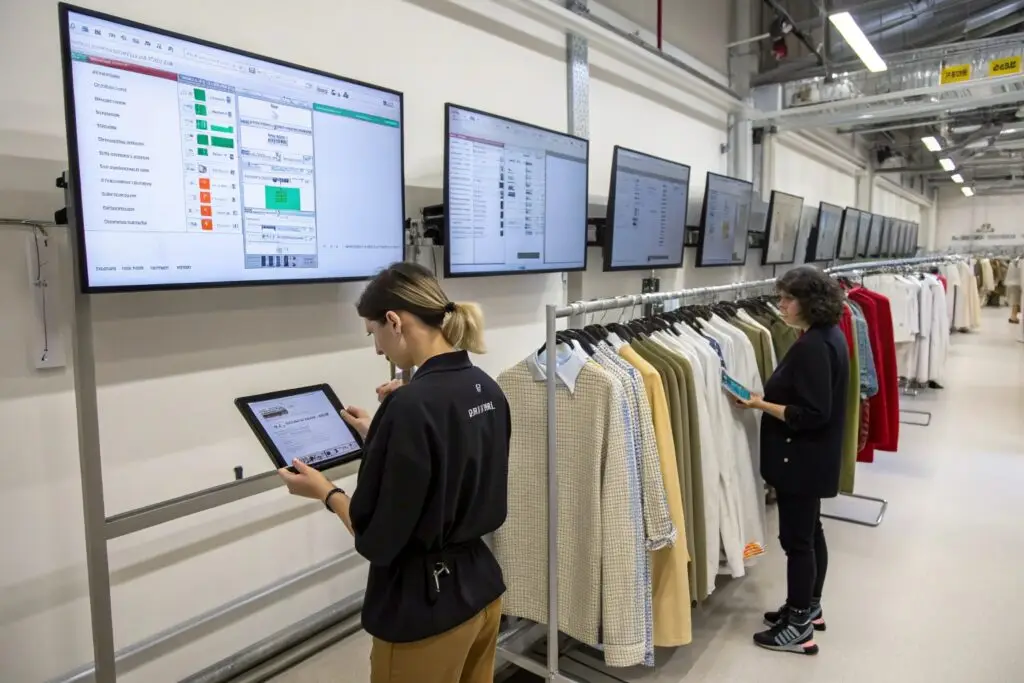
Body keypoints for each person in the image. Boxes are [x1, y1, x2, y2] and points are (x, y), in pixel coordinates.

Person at [278, 262, 511, 683]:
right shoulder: (485, 387)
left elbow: (377, 539)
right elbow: (447, 462)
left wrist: (326, 492)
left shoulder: (409, 406)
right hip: (482, 593)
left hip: (425, 609)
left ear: (393, 321)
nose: (378, 351)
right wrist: (379, 433)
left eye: (373, 335)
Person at [735, 266, 850, 656]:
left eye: (787, 298)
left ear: (809, 303)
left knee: (797, 541)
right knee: (811, 533)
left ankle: (799, 624)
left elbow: (813, 413)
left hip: (801, 459)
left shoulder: (814, 346)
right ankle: (809, 607)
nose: (780, 305)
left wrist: (758, 403)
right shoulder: (827, 336)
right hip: (813, 458)